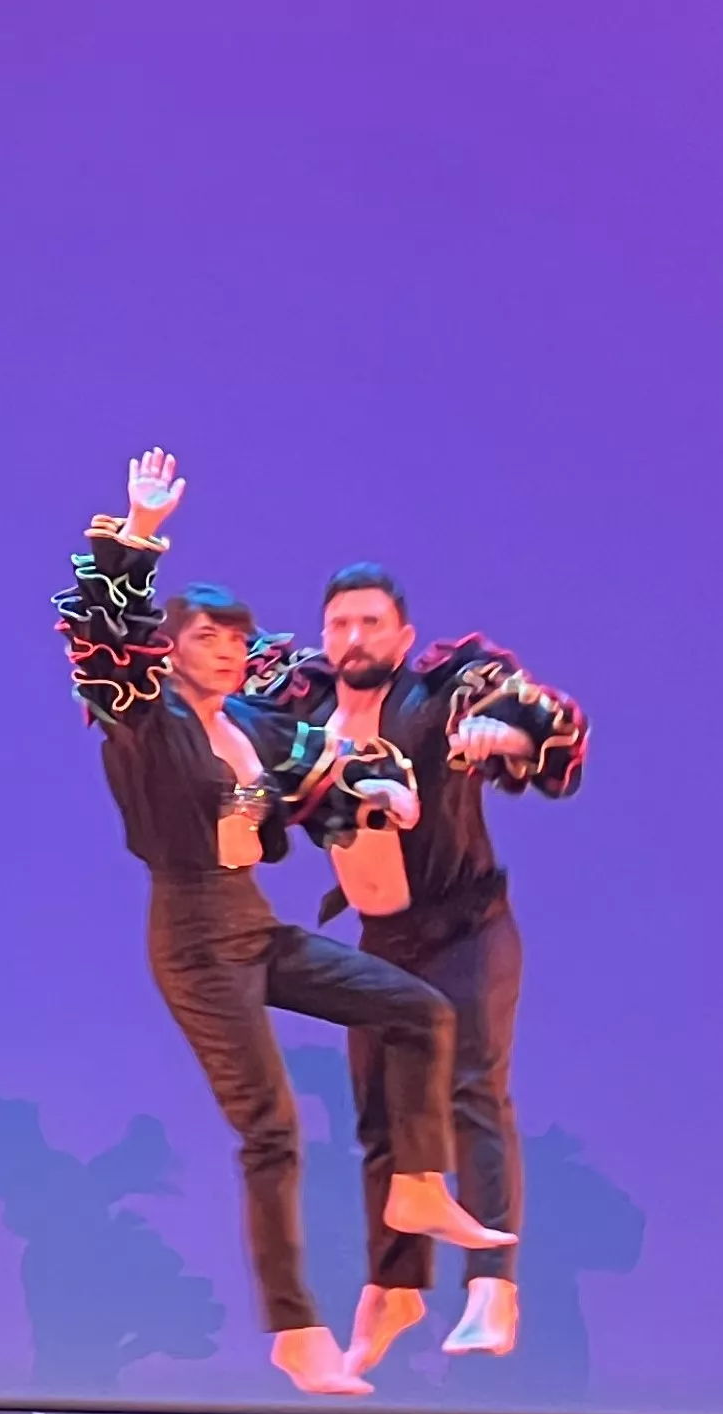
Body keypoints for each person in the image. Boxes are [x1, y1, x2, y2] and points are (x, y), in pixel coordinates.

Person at [52, 448, 510, 1396]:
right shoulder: (145, 722)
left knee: (421, 1012)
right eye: (209, 639)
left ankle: (420, 1187)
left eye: (237, 639)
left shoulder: (250, 727)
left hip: (252, 928)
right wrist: (139, 532)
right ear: (169, 650)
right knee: (272, 1129)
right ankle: (297, 1333)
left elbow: (329, 770)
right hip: (192, 939)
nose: (228, 652)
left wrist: (389, 786)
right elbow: (101, 638)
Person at [246, 561, 587, 1370]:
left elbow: (532, 711)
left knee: (472, 1093)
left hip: (467, 932)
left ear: (400, 635)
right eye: (339, 625)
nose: (353, 638)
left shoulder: (438, 693)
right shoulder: (305, 702)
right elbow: (215, 689)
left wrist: (511, 731)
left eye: (371, 624)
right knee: (382, 1119)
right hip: (385, 943)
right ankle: (395, 1288)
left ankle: (492, 1287)